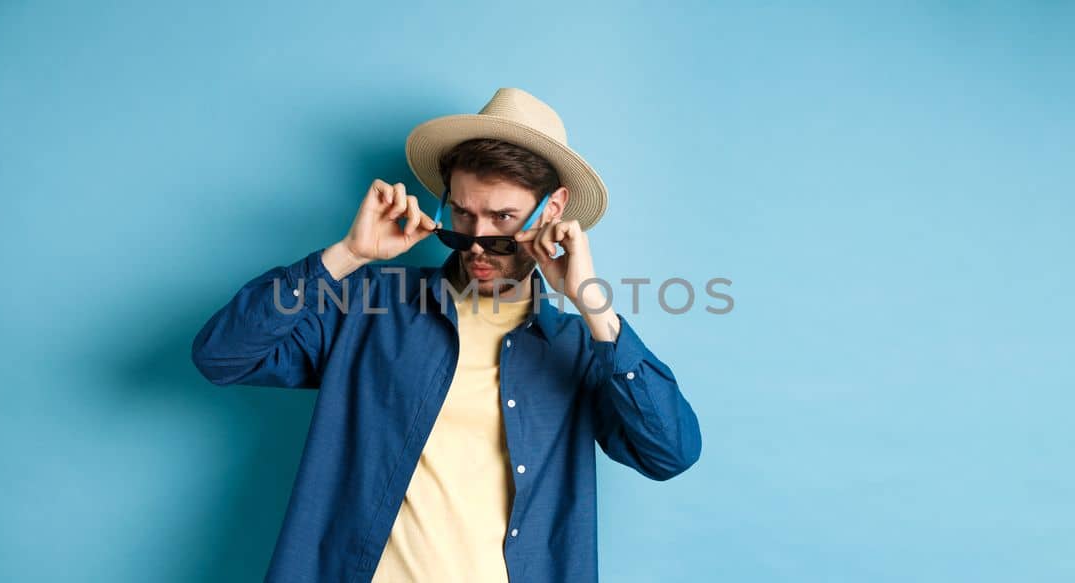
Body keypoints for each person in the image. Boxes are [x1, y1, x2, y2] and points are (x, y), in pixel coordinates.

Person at [191, 88, 702, 582]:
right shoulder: (371, 307)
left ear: (552, 208)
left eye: (502, 219)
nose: (477, 242)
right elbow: (222, 356)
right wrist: (348, 255)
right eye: (462, 215)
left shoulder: (581, 348)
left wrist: (592, 304)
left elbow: (669, 453)